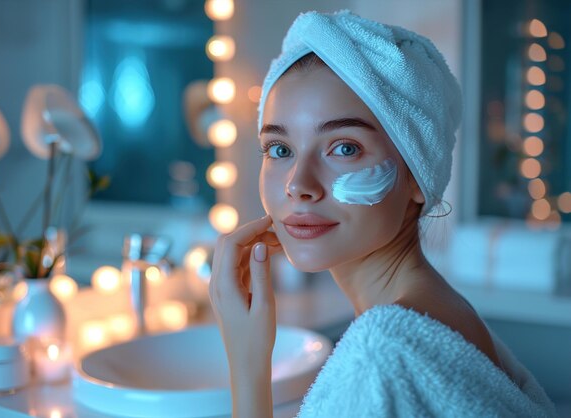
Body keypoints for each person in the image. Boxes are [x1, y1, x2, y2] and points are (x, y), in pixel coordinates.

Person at [208, 10, 557, 418]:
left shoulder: (381, 358)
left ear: (417, 176)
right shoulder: (439, 313)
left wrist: (247, 365)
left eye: (344, 147)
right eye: (280, 149)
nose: (298, 184)